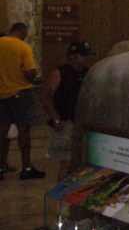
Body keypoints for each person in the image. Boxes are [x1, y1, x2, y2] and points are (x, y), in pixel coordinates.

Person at [42, 40, 92, 179]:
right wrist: (56, 118)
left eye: (87, 55)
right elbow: (46, 96)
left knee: (83, 161)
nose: (86, 58)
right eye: (83, 55)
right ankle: (61, 193)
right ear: (72, 56)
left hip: (82, 124)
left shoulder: (88, 73)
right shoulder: (60, 73)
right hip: (66, 123)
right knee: (67, 162)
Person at [0, 23, 44, 180]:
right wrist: (28, 74)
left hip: (1, 94)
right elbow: (31, 72)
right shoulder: (22, 47)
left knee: (2, 132)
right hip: (20, 92)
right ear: (21, 31)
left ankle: (1, 167)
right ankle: (26, 167)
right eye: (25, 33)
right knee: (23, 131)